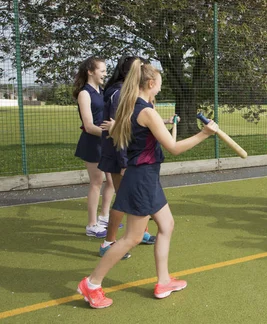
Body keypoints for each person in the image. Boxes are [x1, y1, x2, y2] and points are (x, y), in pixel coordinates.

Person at [77, 59, 218, 308]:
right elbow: (173, 148)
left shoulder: (132, 107)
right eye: (159, 86)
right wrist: (204, 134)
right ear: (151, 83)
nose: (159, 91)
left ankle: (163, 281)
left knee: (167, 225)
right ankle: (92, 283)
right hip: (141, 178)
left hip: (147, 177)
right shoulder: (146, 112)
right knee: (131, 237)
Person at [97, 56, 157, 260]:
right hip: (119, 154)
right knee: (123, 199)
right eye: (140, 67)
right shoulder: (117, 94)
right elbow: (119, 131)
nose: (144, 69)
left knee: (137, 196)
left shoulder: (133, 93)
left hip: (129, 155)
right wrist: (124, 162)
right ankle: (108, 242)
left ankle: (142, 232)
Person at [73, 57, 114, 238]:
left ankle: (104, 217)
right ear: (90, 71)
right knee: (97, 183)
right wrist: (111, 133)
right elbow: (89, 126)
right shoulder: (85, 93)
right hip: (92, 143)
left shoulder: (102, 91)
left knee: (112, 181)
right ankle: (92, 225)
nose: (105, 73)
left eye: (106, 70)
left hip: (105, 141)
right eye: (102, 70)